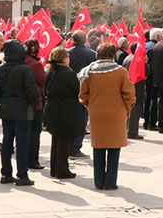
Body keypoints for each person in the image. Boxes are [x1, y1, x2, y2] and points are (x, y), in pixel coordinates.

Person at [78, 42, 136, 190]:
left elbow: (83, 95)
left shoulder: (88, 72)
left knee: (98, 148)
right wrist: (126, 109)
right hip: (117, 114)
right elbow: (129, 94)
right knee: (114, 149)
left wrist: (90, 105)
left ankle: (98, 181)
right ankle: (110, 182)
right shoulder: (121, 71)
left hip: (96, 114)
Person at [0, 39, 40, 186]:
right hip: (23, 110)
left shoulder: (0, 68)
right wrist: (35, 105)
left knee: (7, 142)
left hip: (7, 108)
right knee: (22, 143)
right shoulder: (24, 69)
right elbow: (32, 91)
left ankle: (6, 173)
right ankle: (22, 174)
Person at [44, 46, 85, 179]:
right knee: (65, 142)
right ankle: (62, 169)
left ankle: (55, 168)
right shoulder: (69, 74)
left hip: (53, 110)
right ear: (62, 59)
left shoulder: (50, 72)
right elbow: (77, 91)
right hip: (67, 111)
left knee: (56, 141)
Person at [68, 30, 96, 158]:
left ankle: (68, 146)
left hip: (67, 90)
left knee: (69, 119)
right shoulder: (91, 54)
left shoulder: (66, 53)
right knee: (82, 120)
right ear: (85, 40)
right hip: (85, 90)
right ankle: (75, 148)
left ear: (72, 40)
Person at [23, 38, 46, 170]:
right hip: (35, 102)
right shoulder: (35, 65)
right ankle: (33, 160)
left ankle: (26, 158)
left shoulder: (20, 62)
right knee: (34, 133)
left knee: (24, 133)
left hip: (22, 103)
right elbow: (43, 81)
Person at [122, 41, 147, 140]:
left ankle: (127, 129)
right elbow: (145, 74)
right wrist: (145, 63)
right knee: (135, 111)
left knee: (129, 111)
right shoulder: (138, 60)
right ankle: (132, 132)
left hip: (128, 87)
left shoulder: (127, 58)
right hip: (136, 88)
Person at [143, 28, 162, 130]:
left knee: (147, 100)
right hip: (153, 77)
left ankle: (146, 121)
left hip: (146, 76)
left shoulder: (146, 46)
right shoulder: (155, 48)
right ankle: (152, 123)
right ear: (158, 36)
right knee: (153, 100)